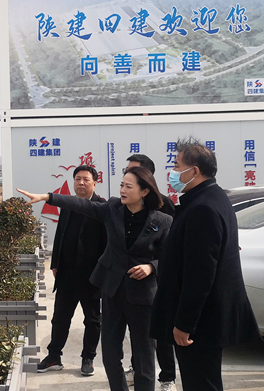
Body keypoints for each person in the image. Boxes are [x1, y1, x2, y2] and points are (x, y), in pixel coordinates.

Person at [18, 166, 172, 391]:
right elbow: (81, 205)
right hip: (112, 292)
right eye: (121, 185)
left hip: (143, 297)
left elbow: (170, 258)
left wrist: (151, 267)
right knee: (110, 355)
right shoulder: (112, 209)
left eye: (129, 186)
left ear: (145, 191)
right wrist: (48, 197)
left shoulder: (163, 221)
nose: (122, 190)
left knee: (144, 357)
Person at [150, 138, 259, 391]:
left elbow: (200, 274)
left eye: (177, 166)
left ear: (194, 171)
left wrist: (184, 324)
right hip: (206, 318)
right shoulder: (211, 197)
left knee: (200, 383)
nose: (173, 172)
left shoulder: (203, 208)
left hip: (201, 322)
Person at [36, 165, 107, 376]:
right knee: (60, 318)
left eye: (86, 179)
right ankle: (54, 356)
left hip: (91, 276)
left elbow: (107, 243)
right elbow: (60, 235)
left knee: (92, 321)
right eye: (78, 179)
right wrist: (55, 263)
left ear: (95, 183)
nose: (81, 183)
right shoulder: (68, 206)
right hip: (67, 273)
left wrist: (103, 272)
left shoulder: (102, 207)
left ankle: (88, 358)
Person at [123, 154, 177, 391]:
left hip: (159, 282)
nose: (128, 175)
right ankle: (137, 370)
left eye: (133, 171)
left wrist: (152, 267)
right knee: (139, 336)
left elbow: (170, 249)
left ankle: (167, 378)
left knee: (161, 334)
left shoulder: (163, 205)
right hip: (135, 284)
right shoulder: (124, 208)